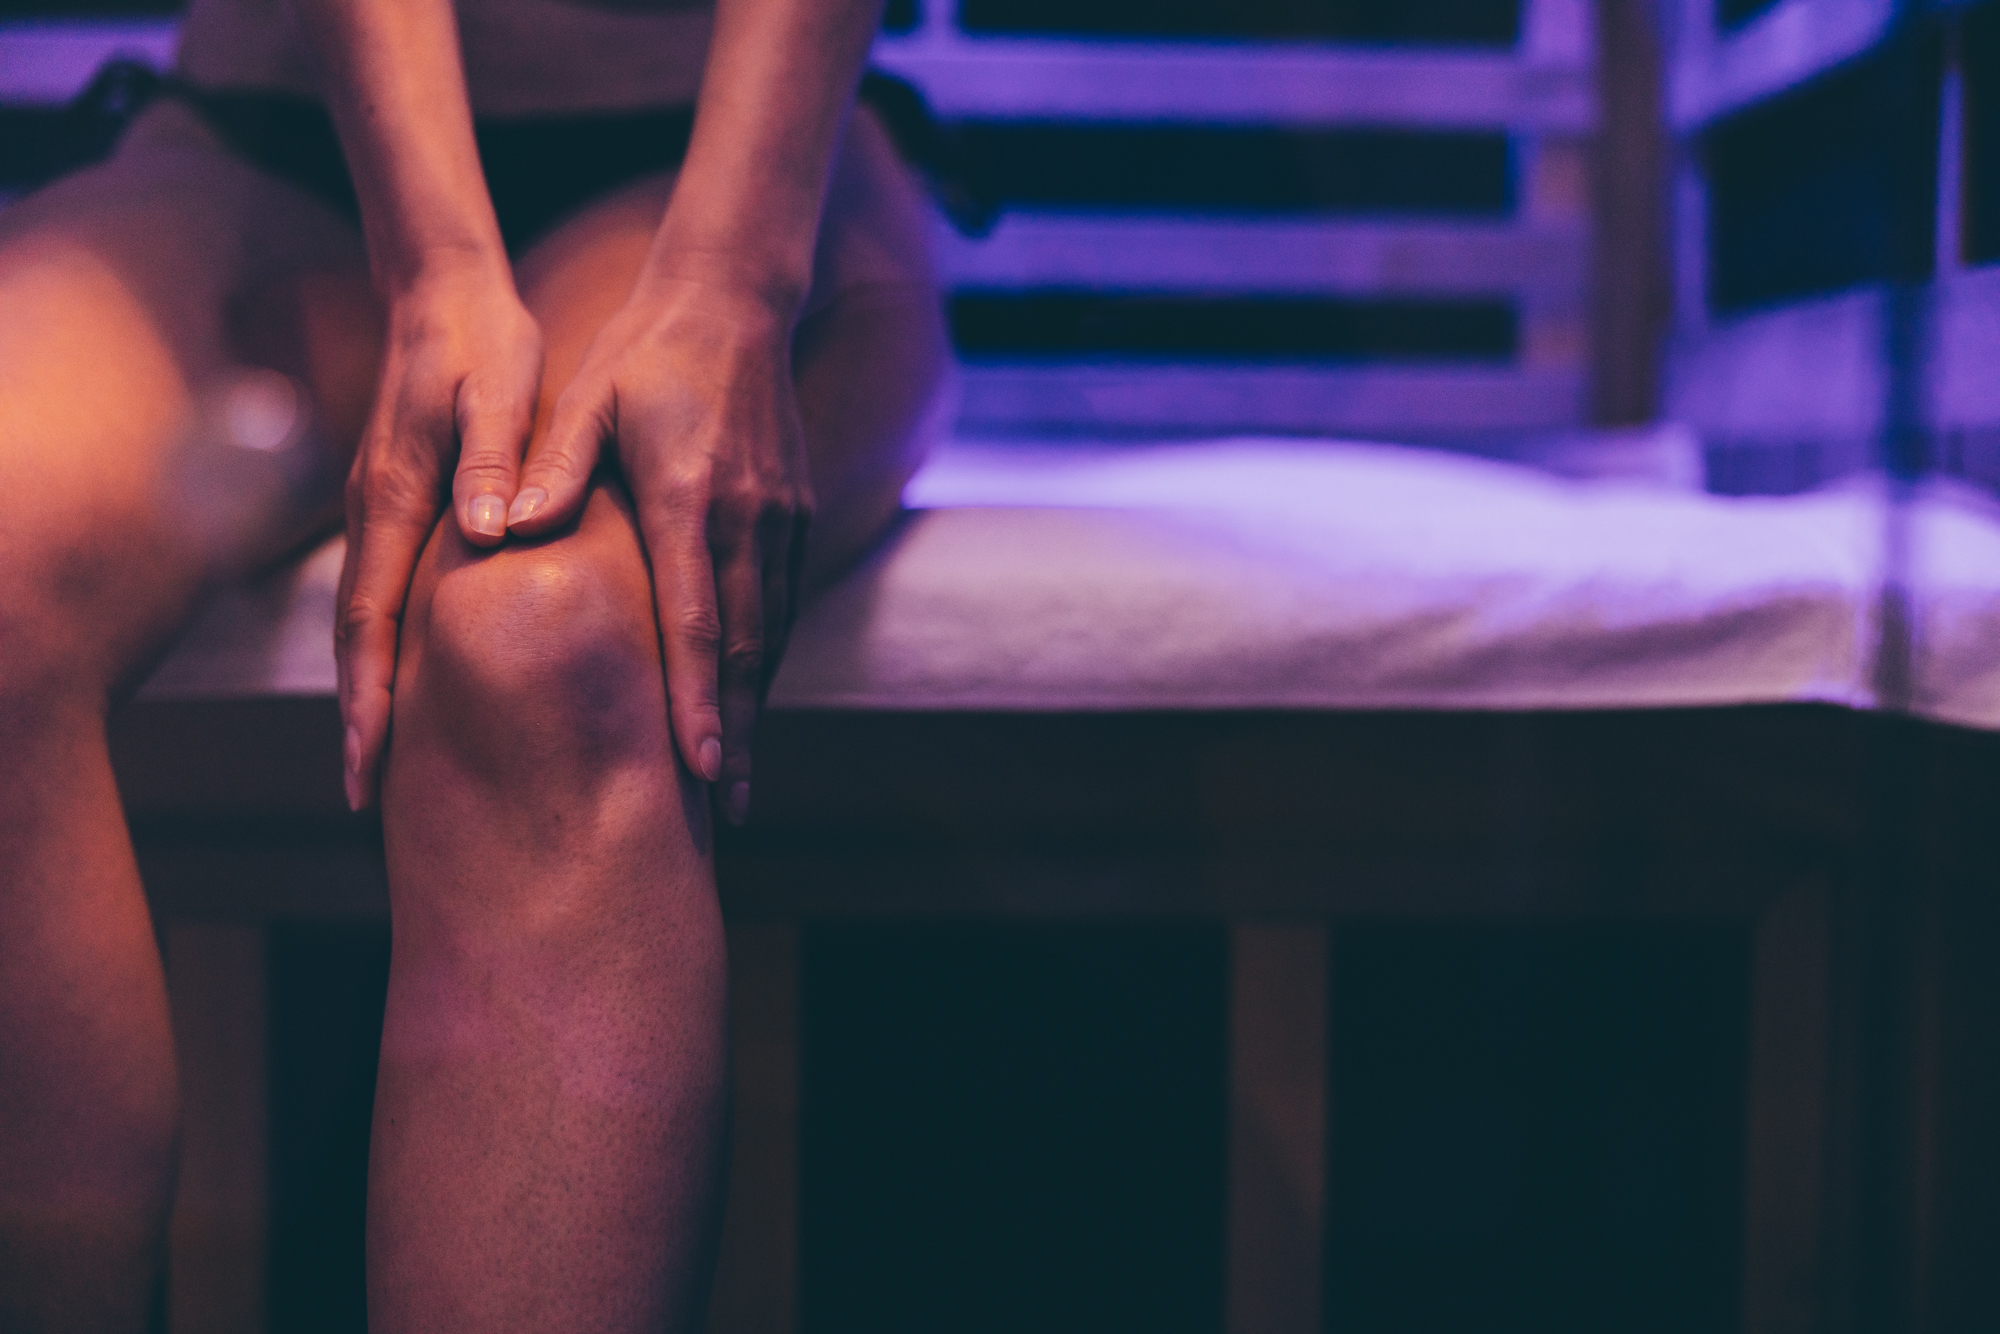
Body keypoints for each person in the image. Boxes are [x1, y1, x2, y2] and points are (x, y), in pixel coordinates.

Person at [0, 0, 950, 1327]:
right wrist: (436, 259)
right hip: (268, 138)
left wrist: (738, 274)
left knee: (546, 635)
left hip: (714, 165)